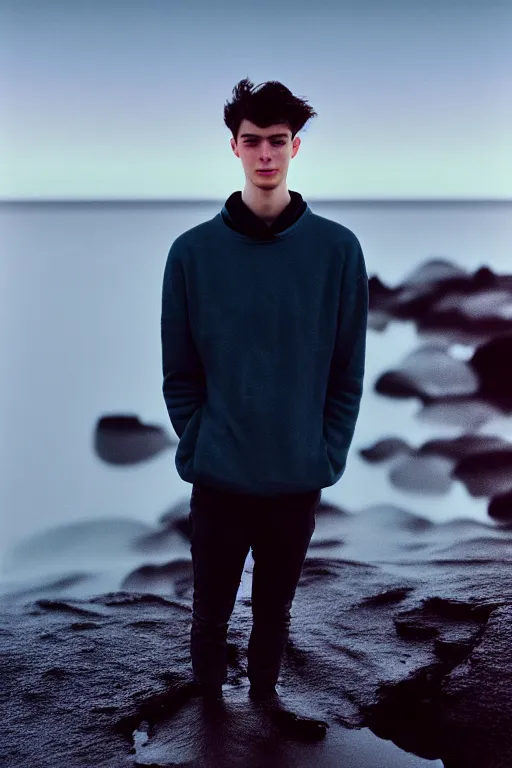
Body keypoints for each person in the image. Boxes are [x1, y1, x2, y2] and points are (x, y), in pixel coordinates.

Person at [161, 77, 369, 738]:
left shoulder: (337, 251)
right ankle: (210, 716)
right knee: (211, 610)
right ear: (235, 147)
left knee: (274, 608)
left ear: (295, 147)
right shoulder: (192, 253)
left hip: (296, 476)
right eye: (252, 141)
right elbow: (179, 371)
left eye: (277, 141)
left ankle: (266, 701)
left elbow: (348, 371)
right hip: (218, 475)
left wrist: (326, 452)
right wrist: (197, 443)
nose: (265, 154)